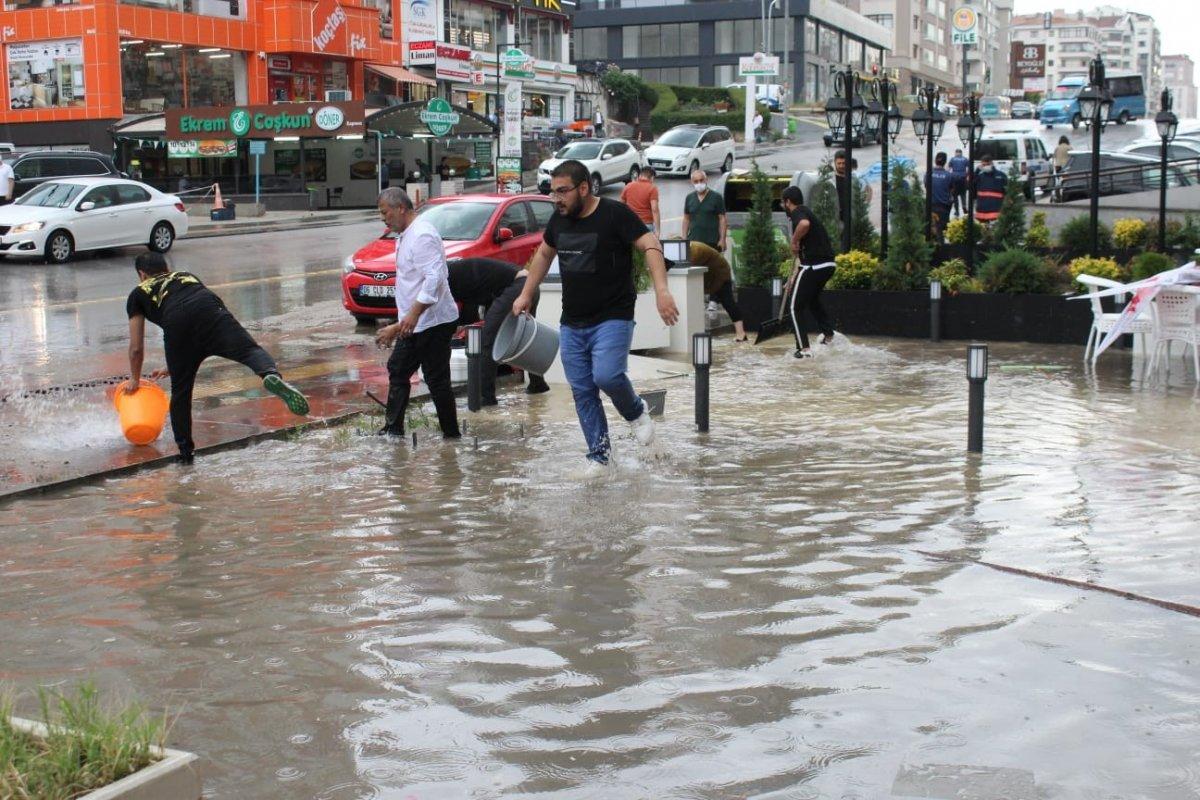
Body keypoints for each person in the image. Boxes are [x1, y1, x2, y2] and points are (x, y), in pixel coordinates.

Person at [511, 160, 679, 470]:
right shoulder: (559, 221)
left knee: (607, 375)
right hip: (573, 321)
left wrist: (662, 291)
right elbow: (545, 254)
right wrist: (525, 293)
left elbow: (650, 244)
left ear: (584, 188)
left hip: (613, 315)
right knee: (583, 391)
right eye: (552, 192)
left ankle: (635, 412)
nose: (556, 199)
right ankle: (600, 458)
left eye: (563, 192)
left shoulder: (614, 214)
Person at [124, 252, 309, 464]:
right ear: (166, 268)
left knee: (181, 393)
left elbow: (136, 348)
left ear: (142, 274)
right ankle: (269, 374)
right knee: (249, 351)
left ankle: (186, 455)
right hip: (211, 312)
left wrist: (135, 379)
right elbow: (200, 312)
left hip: (177, 327)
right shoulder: (185, 276)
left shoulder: (138, 294)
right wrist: (171, 365)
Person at [373, 187, 461, 440]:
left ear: (401, 208)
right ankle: (393, 429)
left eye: (385, 212)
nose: (383, 219)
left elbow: (434, 279)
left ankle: (450, 435)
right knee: (399, 369)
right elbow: (412, 284)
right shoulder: (406, 234)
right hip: (416, 321)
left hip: (432, 321)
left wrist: (410, 317)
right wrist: (397, 325)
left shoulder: (421, 234)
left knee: (435, 378)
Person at [447, 257, 550, 403]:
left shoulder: (442, 278)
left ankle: (485, 398)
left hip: (519, 286)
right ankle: (537, 384)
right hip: (528, 286)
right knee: (524, 338)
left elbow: (452, 317)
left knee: (487, 341)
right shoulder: (454, 273)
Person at [781, 186, 836, 359]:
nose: (784, 207)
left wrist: (794, 240)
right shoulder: (805, 212)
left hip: (815, 265)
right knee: (812, 299)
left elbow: (805, 224)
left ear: (788, 202)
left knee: (793, 306)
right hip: (826, 265)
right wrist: (792, 279)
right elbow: (801, 261)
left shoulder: (798, 212)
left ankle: (804, 350)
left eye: (784, 203)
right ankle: (828, 336)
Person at [688, 241, 747, 342]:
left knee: (728, 303)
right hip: (708, 275)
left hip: (720, 273)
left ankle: (741, 333)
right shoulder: (689, 249)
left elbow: (687, 267)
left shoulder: (696, 250)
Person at [682, 169, 726, 252]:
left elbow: (722, 219)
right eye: (696, 181)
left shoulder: (716, 197)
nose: (699, 183)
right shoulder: (689, 198)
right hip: (694, 241)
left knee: (712, 264)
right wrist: (684, 238)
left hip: (712, 242)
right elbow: (686, 219)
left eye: (701, 180)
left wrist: (722, 239)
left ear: (706, 180)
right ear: (692, 182)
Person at [620, 166, 660, 232]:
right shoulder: (652, 188)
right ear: (652, 177)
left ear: (639, 175)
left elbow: (621, 206)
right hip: (646, 225)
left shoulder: (628, 186)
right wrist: (658, 230)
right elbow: (655, 209)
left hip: (630, 224)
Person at [972, 153, 1007, 224]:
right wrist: (977, 170)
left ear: (991, 163)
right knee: (983, 231)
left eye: (986, 165)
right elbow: (970, 184)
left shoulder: (1001, 175)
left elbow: (1006, 190)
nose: (985, 167)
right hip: (982, 211)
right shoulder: (980, 176)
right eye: (983, 165)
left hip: (996, 210)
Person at [930, 152, 954, 242]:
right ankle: (942, 249)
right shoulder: (949, 175)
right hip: (944, 206)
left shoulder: (929, 173)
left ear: (935, 160)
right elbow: (951, 190)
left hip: (932, 205)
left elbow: (926, 186)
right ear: (945, 162)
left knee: (933, 229)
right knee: (942, 230)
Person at [949, 148, 970, 217]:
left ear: (956, 153)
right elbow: (968, 168)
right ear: (961, 153)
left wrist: (949, 176)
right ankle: (964, 207)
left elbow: (949, 168)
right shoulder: (965, 159)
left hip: (954, 179)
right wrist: (967, 175)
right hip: (963, 179)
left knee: (955, 196)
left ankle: (957, 211)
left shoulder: (952, 159)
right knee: (963, 194)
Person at [1053, 135, 1071, 201]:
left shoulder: (1057, 148)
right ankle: (1065, 193)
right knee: (1067, 181)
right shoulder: (1069, 147)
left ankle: (1058, 195)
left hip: (1058, 166)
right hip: (1067, 166)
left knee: (1059, 181)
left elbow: (1054, 156)